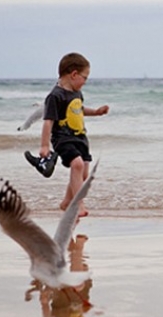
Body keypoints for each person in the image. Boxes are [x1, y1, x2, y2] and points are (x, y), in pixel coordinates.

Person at [38, 52, 109, 217]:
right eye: (85, 77)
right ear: (74, 74)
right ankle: (78, 204)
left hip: (80, 137)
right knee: (76, 165)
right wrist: (44, 145)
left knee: (83, 174)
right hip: (63, 138)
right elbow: (48, 121)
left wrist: (97, 112)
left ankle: (66, 202)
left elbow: (80, 110)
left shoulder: (76, 93)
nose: (85, 82)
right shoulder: (55, 96)